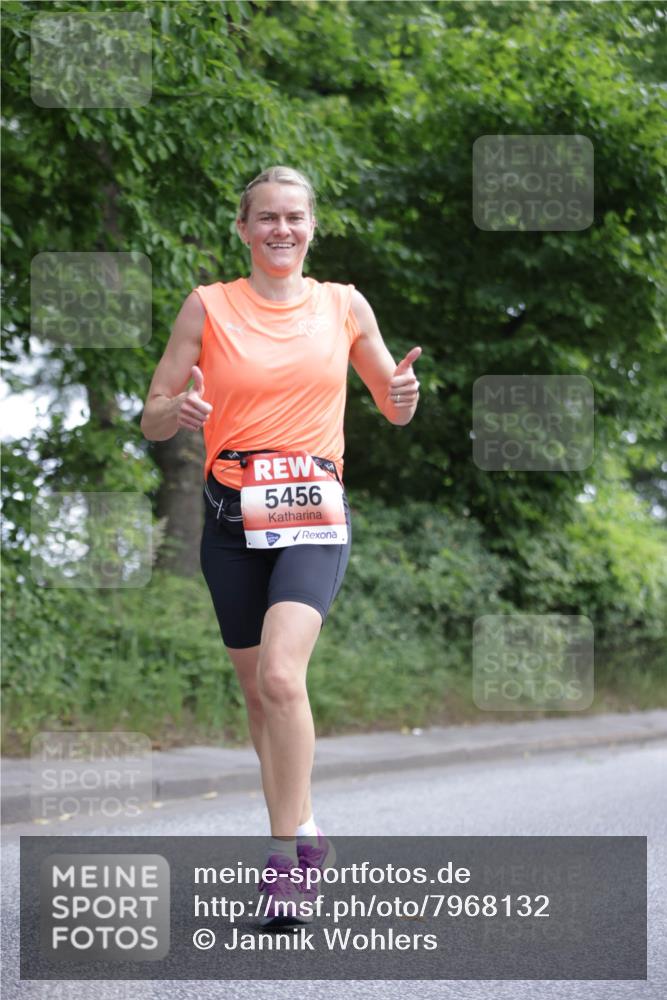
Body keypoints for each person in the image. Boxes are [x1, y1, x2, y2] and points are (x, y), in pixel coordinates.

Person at [140, 165, 421, 925]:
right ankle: (304, 828)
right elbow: (153, 415)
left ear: (311, 226)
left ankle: (285, 862)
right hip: (230, 516)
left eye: (293, 217)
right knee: (258, 698)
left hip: (312, 512)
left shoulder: (343, 305)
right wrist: (179, 409)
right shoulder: (208, 306)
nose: (281, 230)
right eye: (265, 218)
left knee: (281, 679)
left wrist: (400, 397)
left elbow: (390, 404)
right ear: (243, 228)